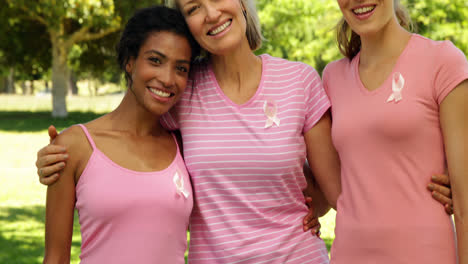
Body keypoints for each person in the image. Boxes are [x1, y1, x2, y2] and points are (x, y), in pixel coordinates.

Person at [36, 0, 456, 263]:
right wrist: (67, 151)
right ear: (187, 26)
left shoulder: (301, 82)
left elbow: (343, 188)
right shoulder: (183, 87)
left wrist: (434, 183)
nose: (211, 13)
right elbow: (127, 135)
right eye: (193, 8)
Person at [42, 6, 200, 264]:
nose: (167, 78)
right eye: (155, 60)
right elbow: (56, 258)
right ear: (129, 61)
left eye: (181, 68)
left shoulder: (184, 146)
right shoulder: (74, 146)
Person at [322, 0, 468, 263]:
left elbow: (465, 199)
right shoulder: (332, 77)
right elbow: (337, 187)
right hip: (348, 254)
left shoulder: (443, 61)